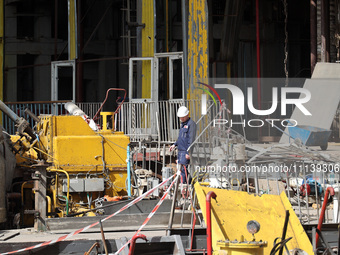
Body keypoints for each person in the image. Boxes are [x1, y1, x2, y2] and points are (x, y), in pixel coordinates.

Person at [169, 106, 196, 183]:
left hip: (185, 151)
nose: (181, 119)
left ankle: (183, 187)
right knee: (180, 170)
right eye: (180, 117)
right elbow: (180, 138)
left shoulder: (191, 124)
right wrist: (174, 144)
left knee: (183, 171)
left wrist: (188, 152)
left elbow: (191, 139)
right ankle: (181, 185)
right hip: (180, 151)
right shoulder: (182, 124)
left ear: (187, 115)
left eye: (182, 117)